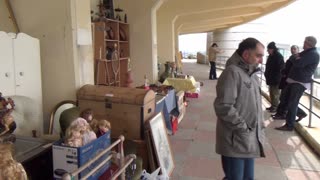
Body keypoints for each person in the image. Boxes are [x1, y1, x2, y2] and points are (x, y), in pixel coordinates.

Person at [214, 37, 265, 180]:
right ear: (246, 54)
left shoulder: (251, 74)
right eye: (258, 55)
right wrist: (243, 128)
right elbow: (223, 106)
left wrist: (259, 125)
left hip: (248, 139)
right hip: (235, 140)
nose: (261, 60)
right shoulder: (232, 72)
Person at [276, 36, 320, 131]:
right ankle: (300, 113)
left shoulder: (313, 54)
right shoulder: (307, 53)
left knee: (292, 103)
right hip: (294, 80)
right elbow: (294, 59)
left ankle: (289, 125)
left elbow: (298, 63)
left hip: (300, 82)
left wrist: (297, 58)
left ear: (308, 43)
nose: (303, 43)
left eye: (304, 42)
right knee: (286, 100)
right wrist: (297, 57)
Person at [272, 45, 307, 121]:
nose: (293, 50)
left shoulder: (297, 59)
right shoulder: (292, 58)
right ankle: (282, 113)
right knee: (284, 98)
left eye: (294, 49)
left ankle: (287, 114)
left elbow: (292, 69)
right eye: (292, 49)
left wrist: (284, 72)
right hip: (287, 80)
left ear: (298, 50)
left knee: (287, 99)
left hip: (291, 80)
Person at [264, 42, 284, 113]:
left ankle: (275, 107)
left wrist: (274, 75)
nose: (267, 51)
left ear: (272, 49)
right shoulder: (270, 56)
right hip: (270, 78)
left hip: (276, 79)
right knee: (271, 92)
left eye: (268, 49)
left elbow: (280, 68)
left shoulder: (279, 56)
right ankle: (272, 105)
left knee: (275, 94)